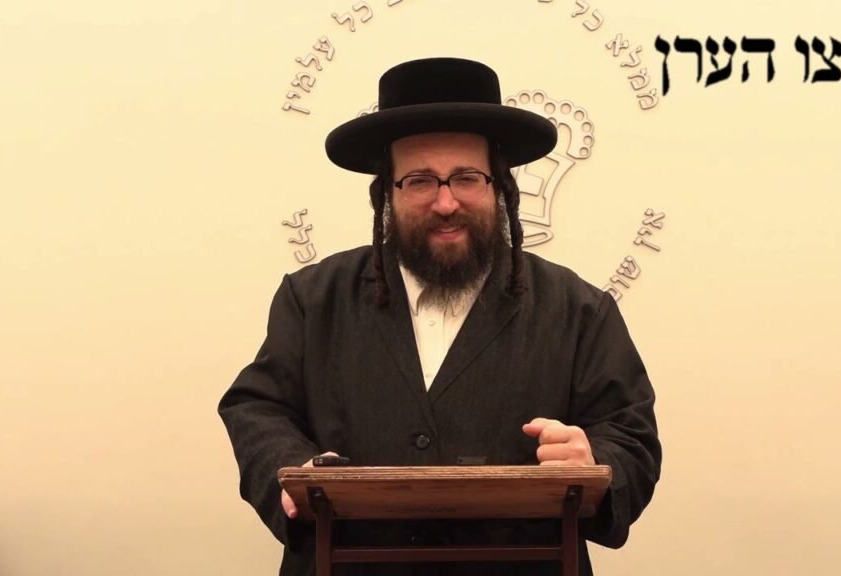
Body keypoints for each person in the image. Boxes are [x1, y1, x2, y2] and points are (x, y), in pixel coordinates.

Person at [218, 57, 661, 576]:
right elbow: (257, 407)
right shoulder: (312, 298)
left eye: (466, 178)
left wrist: (594, 463)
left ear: (500, 186)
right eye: (421, 180)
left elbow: (630, 437)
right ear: (387, 192)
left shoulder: (580, 309)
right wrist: (292, 469)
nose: (446, 202)